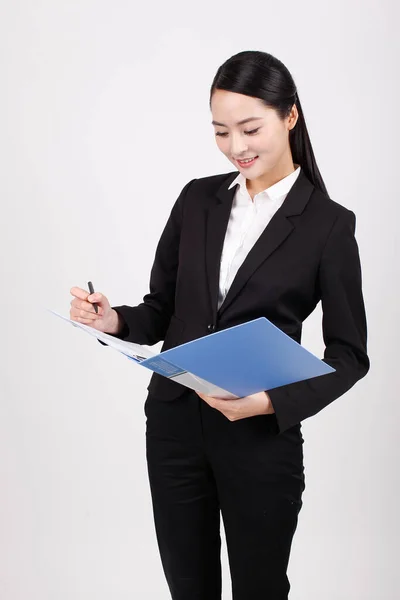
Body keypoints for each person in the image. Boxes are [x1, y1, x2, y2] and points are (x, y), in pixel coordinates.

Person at [69, 50, 369, 600]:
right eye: (221, 132)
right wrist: (111, 318)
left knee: (259, 588)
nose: (237, 147)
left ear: (290, 117)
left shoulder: (328, 226)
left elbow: (349, 354)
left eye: (250, 128)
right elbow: (161, 309)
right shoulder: (197, 200)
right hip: (174, 429)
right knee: (188, 588)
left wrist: (271, 402)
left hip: (257, 439)